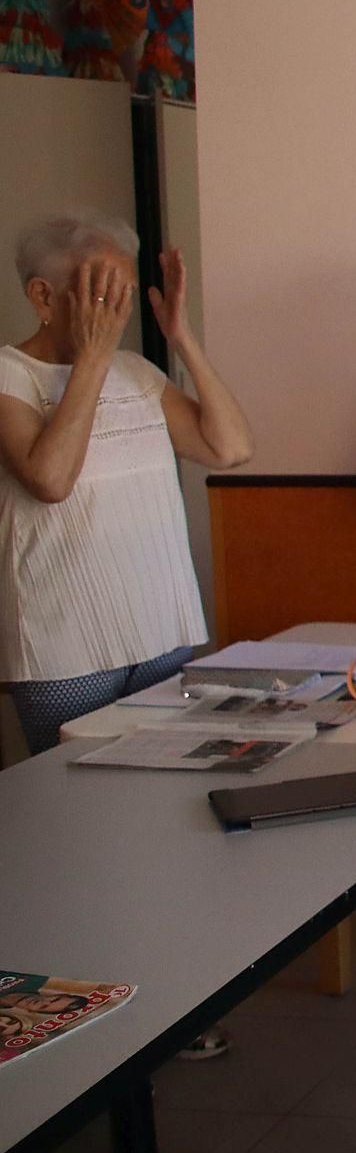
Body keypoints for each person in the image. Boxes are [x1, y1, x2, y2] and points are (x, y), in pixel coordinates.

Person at [0, 210, 254, 1060]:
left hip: (165, 641)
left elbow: (231, 443)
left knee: (169, 832)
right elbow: (48, 477)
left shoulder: (143, 371)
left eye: (121, 289)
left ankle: (172, 1006)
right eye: (98, 289)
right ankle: (99, 1021)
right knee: (85, 849)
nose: (116, 307)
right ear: (43, 295)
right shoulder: (5, 375)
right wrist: (94, 359)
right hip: (65, 656)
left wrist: (179, 336)